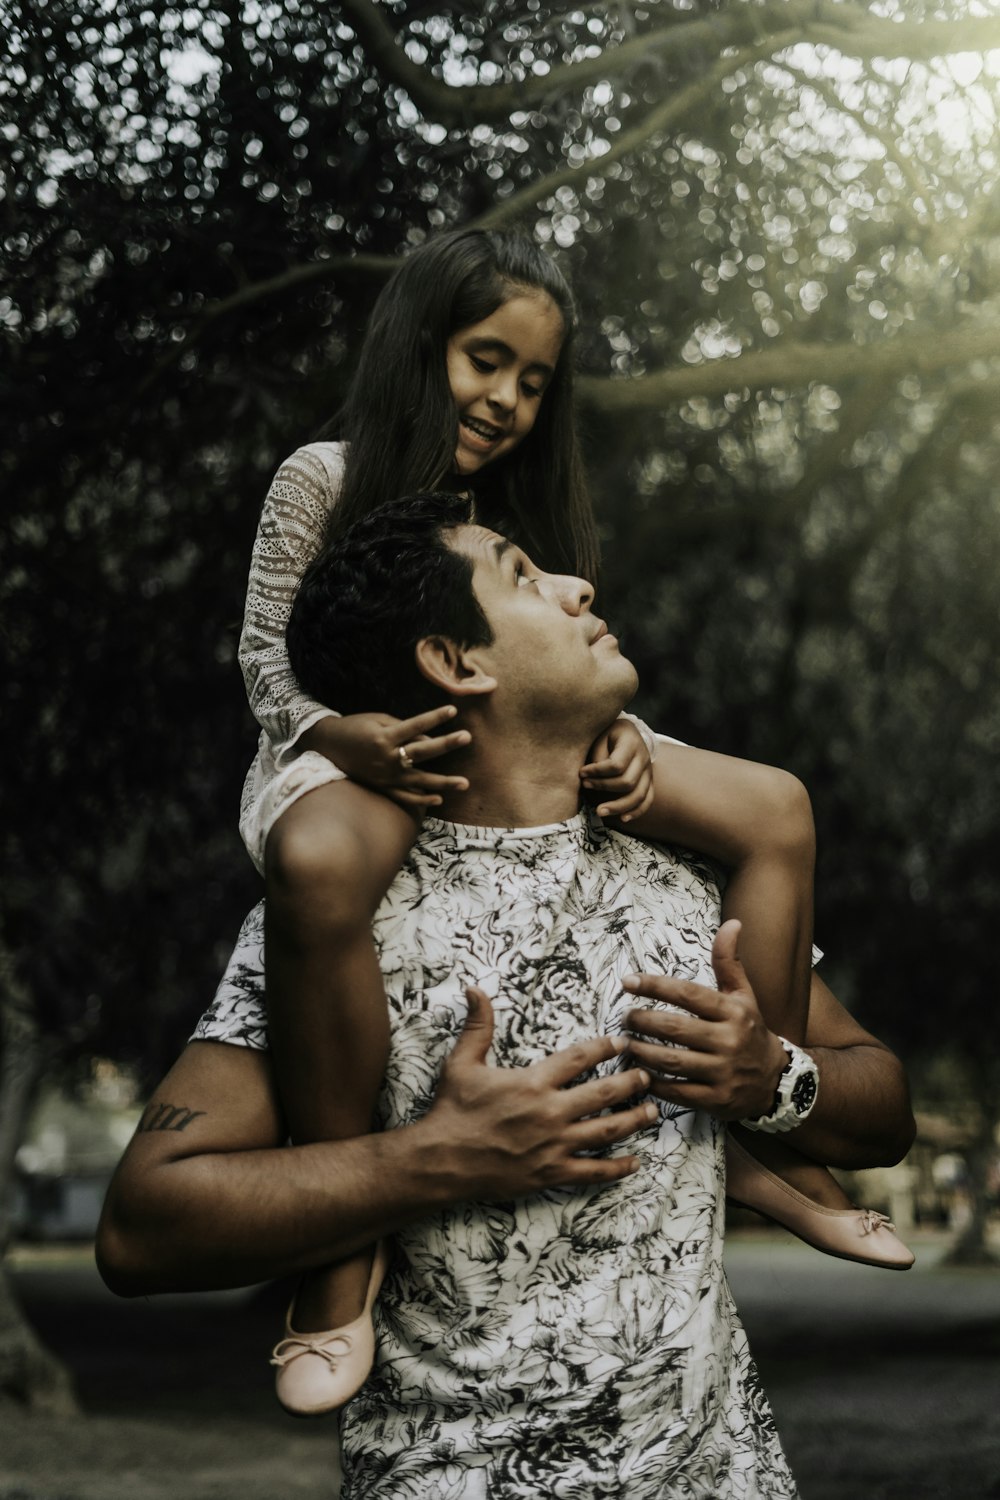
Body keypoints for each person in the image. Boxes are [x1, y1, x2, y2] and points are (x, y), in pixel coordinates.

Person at [97, 494, 916, 1498]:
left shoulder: (680, 875)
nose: (579, 586)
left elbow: (882, 1109)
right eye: (523, 575)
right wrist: (433, 1161)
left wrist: (771, 1080)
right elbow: (141, 1230)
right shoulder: (343, 920)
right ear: (454, 661)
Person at [229, 227, 911, 1411]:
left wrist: (624, 752)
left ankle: (765, 1137)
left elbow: (564, 671)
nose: (504, 400)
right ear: (420, 345)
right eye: (484, 360)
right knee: (319, 860)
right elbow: (262, 658)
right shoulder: (323, 476)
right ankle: (336, 1264)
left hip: (525, 745)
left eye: (533, 382)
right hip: (351, 747)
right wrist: (340, 737)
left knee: (772, 810)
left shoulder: (519, 506)